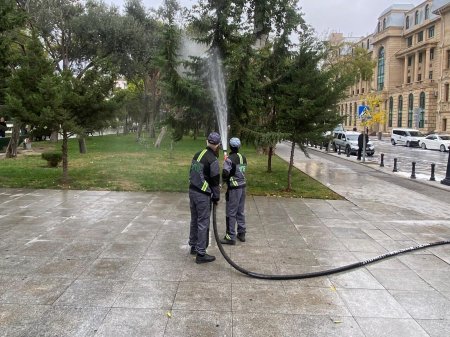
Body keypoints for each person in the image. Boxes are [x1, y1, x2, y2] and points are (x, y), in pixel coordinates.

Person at [188, 132, 221, 264]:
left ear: (207, 142)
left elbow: (192, 172)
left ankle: (193, 246)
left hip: (192, 191)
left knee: (194, 219)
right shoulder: (212, 160)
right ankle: (201, 253)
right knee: (203, 222)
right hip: (202, 195)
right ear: (217, 145)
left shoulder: (198, 154)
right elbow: (214, 182)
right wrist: (216, 197)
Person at [220, 137, 247, 245]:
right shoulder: (243, 157)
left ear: (230, 146)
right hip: (243, 187)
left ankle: (230, 236)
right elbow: (238, 170)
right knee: (240, 211)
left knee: (231, 212)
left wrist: (222, 183)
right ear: (239, 146)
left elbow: (226, 173)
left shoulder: (229, 159)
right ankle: (242, 233)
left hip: (234, 189)